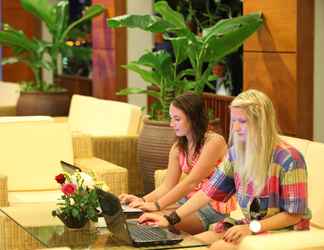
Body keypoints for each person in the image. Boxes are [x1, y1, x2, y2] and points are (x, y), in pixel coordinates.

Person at [138, 89, 311, 249]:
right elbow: (207, 192)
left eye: (242, 121)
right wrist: (169, 218)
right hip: (248, 225)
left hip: (284, 231)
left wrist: (252, 227)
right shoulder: (236, 154)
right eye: (234, 120)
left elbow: (294, 215)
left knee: (218, 247)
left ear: (262, 123)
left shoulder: (289, 158)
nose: (235, 128)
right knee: (191, 244)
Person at [120, 92, 236, 234]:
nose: (171, 124)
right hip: (186, 203)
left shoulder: (214, 142)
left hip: (212, 207)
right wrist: (141, 200)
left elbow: (192, 182)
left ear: (193, 118)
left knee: (151, 224)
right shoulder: (178, 148)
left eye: (177, 119)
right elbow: (167, 186)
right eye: (171, 118)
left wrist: (157, 205)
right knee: (136, 217)